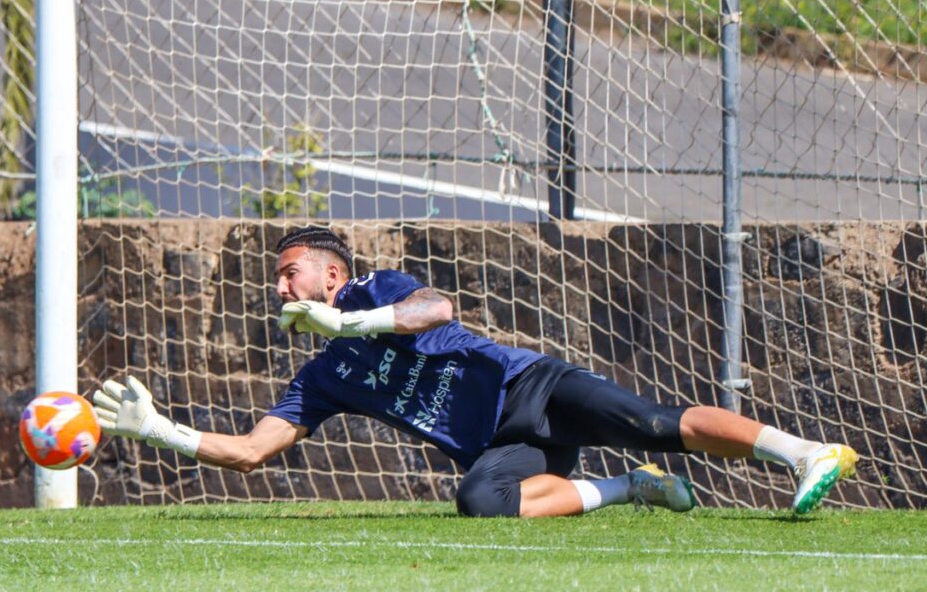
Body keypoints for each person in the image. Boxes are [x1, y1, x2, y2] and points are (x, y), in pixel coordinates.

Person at [92, 227, 859, 517]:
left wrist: (352, 317)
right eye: (277, 277)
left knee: (661, 424)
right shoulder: (322, 374)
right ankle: (628, 489)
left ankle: (803, 453)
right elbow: (255, 449)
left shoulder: (374, 289)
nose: (279, 286)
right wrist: (161, 429)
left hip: (534, 388)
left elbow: (438, 308)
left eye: (291, 271)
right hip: (503, 446)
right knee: (478, 501)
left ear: (333, 275)